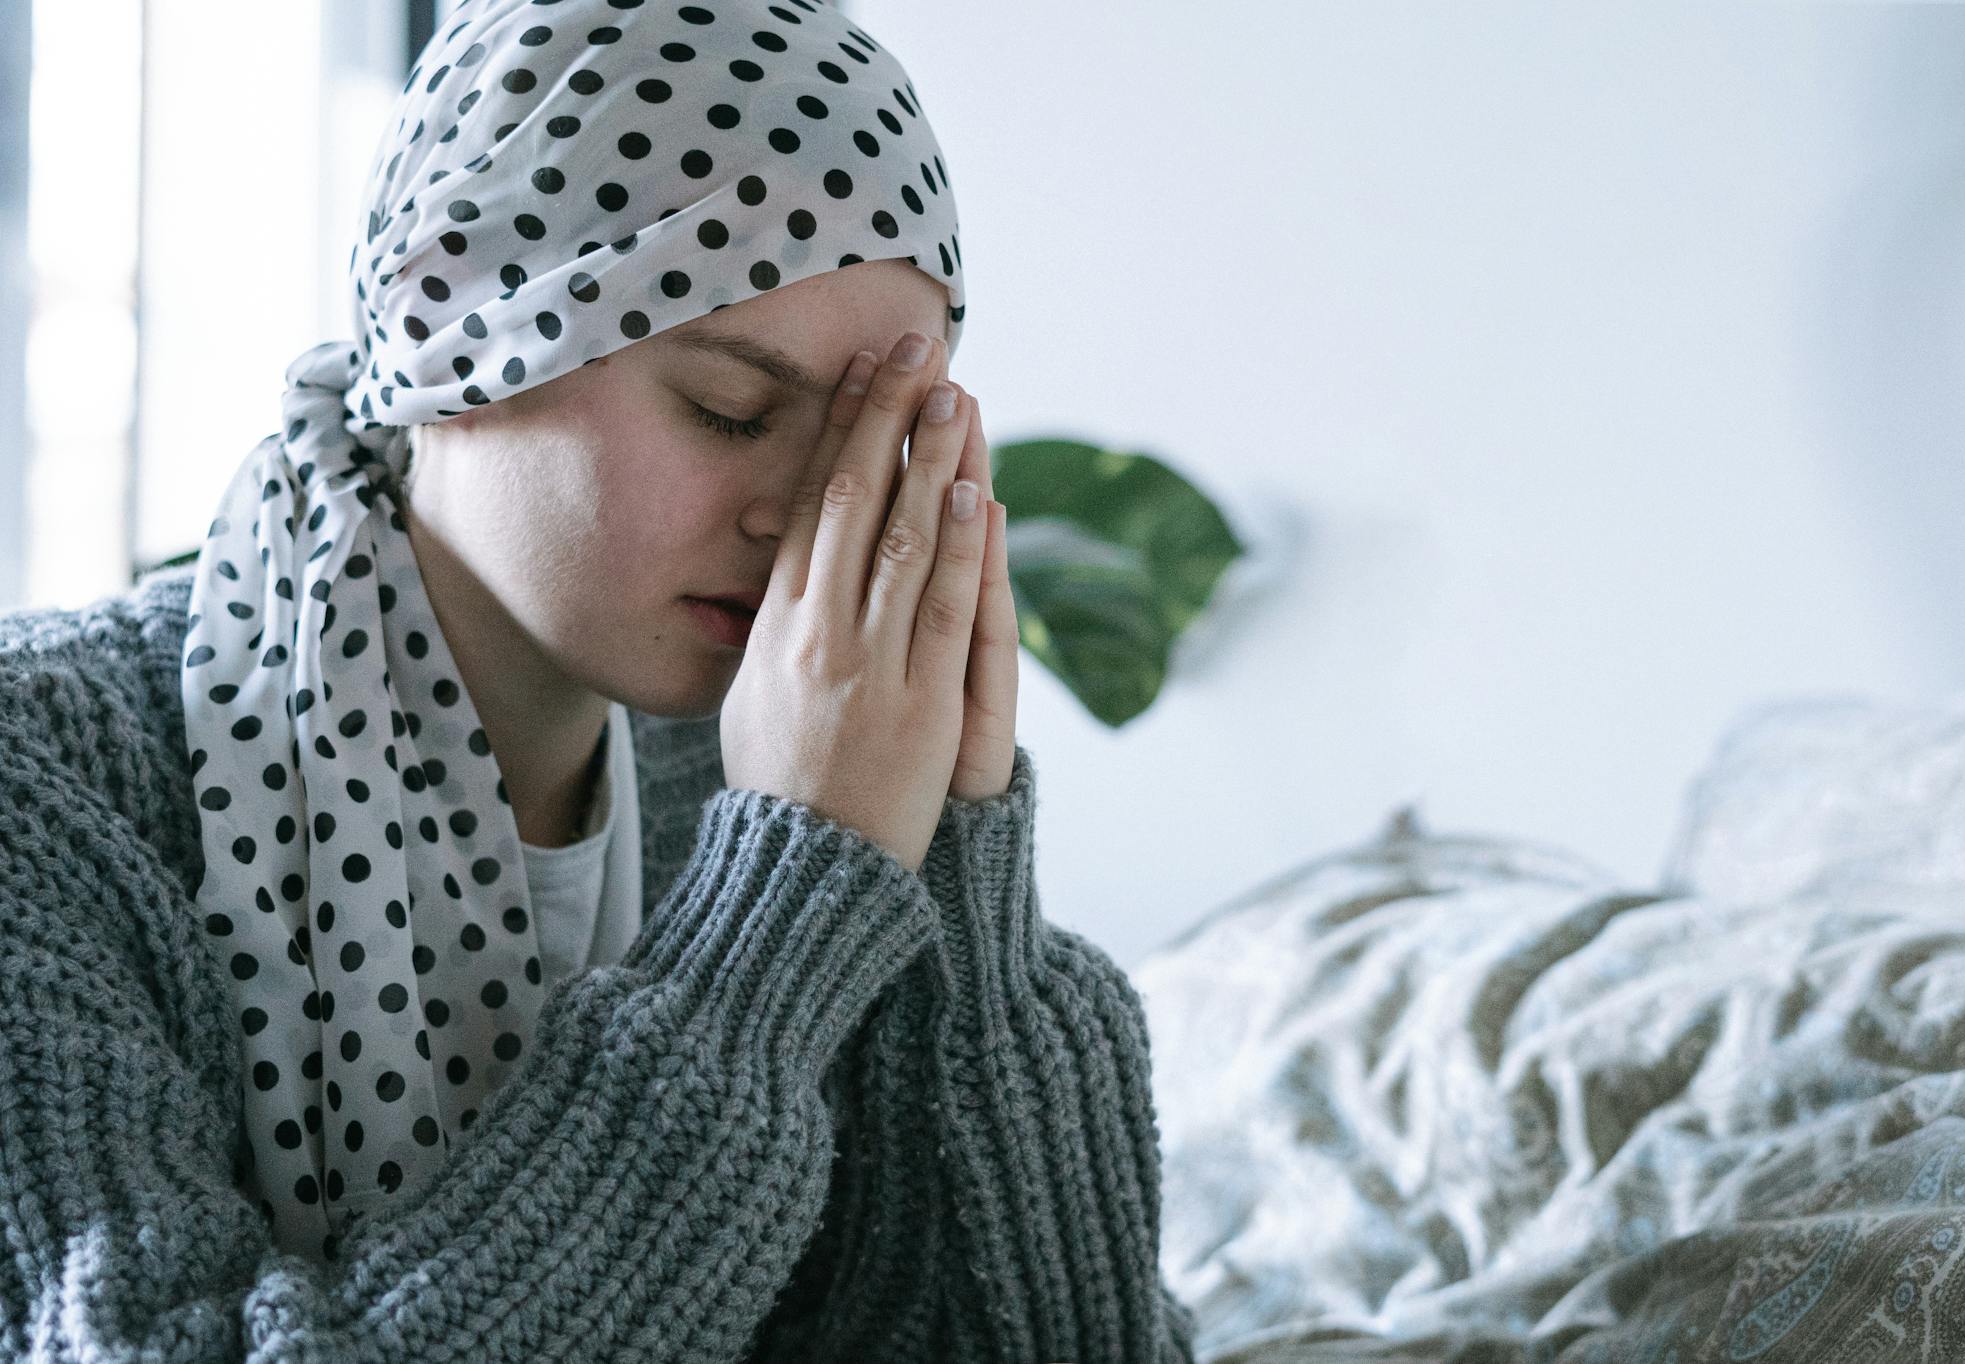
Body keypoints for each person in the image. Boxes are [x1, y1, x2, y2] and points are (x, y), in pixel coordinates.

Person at [0, 0, 1199, 1359]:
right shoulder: (45, 788)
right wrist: (774, 926)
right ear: (443, 318)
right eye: (732, 410)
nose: (809, 520)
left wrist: (965, 887)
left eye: (878, 450)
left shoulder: (762, 782)